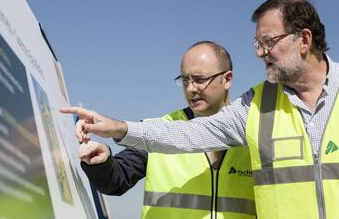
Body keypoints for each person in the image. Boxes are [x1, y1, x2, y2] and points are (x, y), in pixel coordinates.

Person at [61, 0, 339, 219]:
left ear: (304, 40)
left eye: (269, 42)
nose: (260, 53)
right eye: (257, 44)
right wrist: (119, 128)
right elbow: (190, 135)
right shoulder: (257, 104)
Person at [78, 41, 256, 218]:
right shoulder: (159, 129)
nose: (191, 89)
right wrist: (101, 163)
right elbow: (116, 180)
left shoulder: (255, 132)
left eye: (200, 79)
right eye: (185, 80)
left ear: (227, 79)